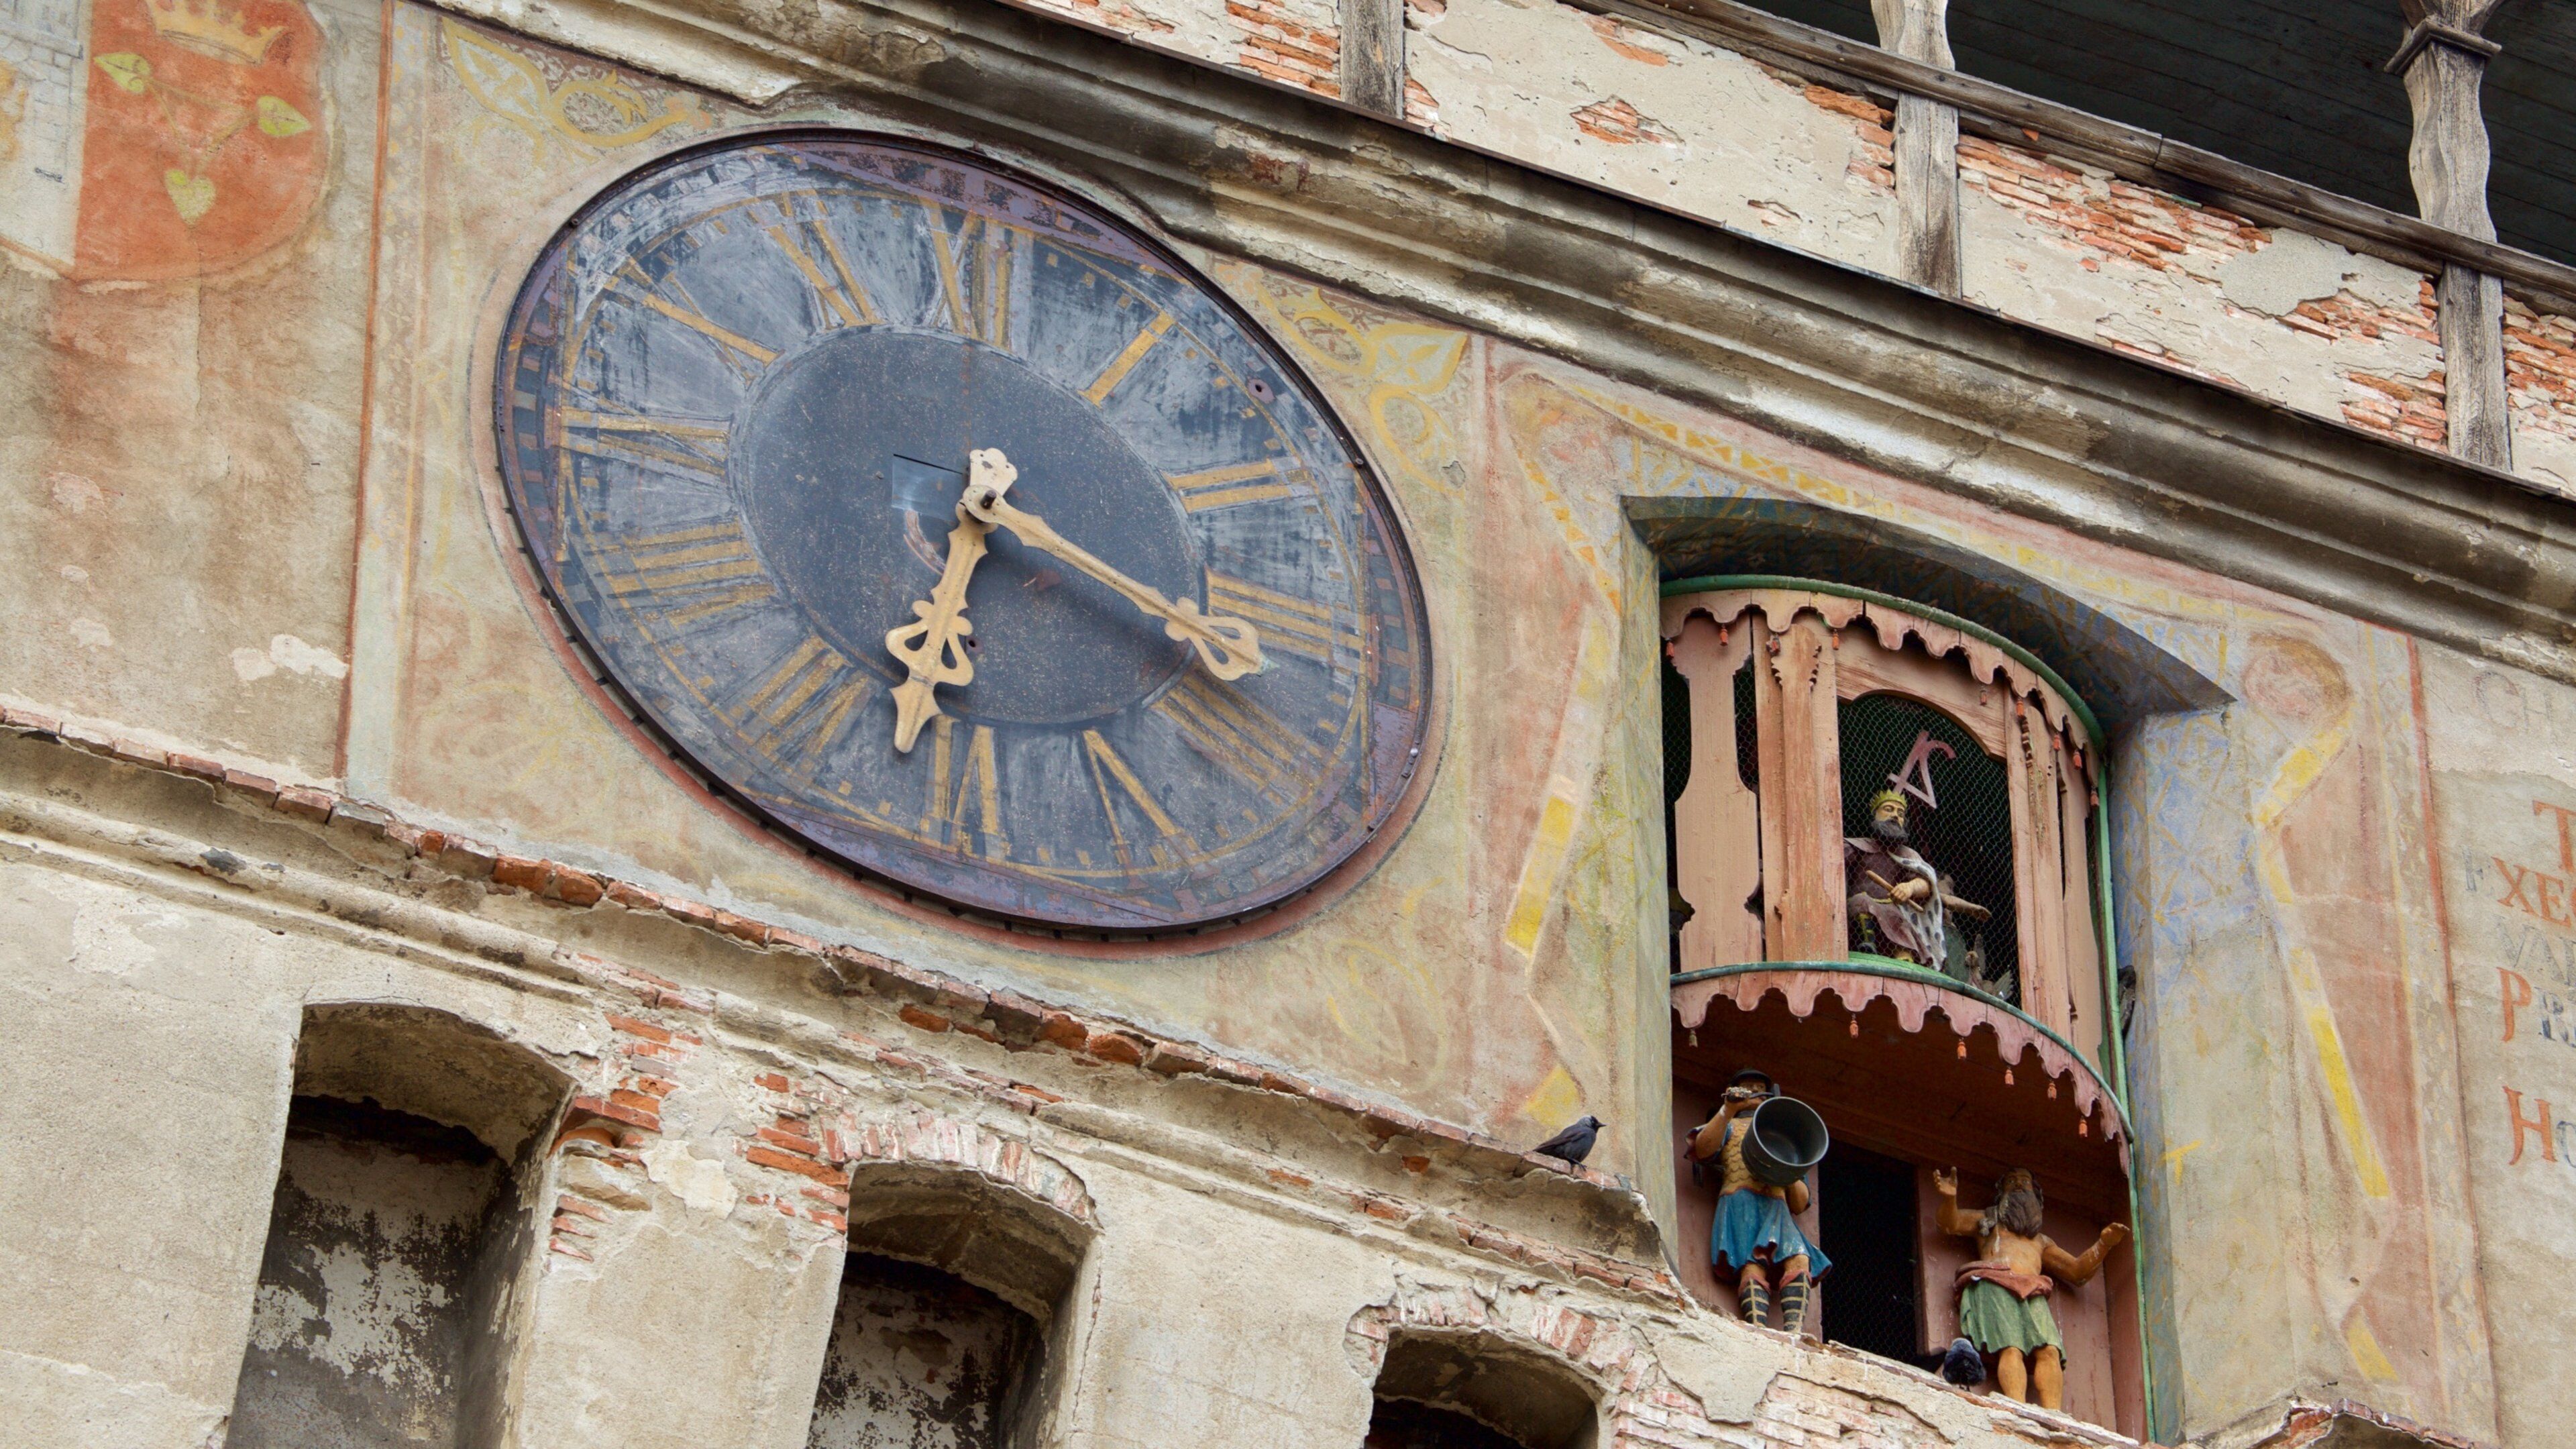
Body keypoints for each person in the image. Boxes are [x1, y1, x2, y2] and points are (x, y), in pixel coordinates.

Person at [1932, 1166, 2129, 1411]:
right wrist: (1950, 1199)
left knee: (2049, 1350)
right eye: (2011, 1181)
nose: (2017, 1185)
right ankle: (2017, 1406)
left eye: (2024, 1181)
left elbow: (2078, 1272)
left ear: (2035, 1195)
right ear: (2001, 1193)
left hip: (2033, 1289)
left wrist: (2104, 1245)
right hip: (1995, 1283)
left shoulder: (2041, 1242)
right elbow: (1949, 1223)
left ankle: (2055, 1415)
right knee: (2011, 1347)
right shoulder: (1989, 1220)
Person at [1687, 1069, 1829, 1334]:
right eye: (1747, 1088)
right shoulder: (1729, 1126)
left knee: (1799, 1258)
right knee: (1752, 1264)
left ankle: (1795, 1331)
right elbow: (1703, 1148)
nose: (1754, 1092)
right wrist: (1728, 1110)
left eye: (1759, 1088)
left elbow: (1800, 1203)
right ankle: (1758, 1328)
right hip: (1740, 1200)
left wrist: (1787, 1170)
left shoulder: (1780, 1134)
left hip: (1776, 1204)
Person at [1845, 787, 1987, 971]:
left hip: (1891, 908)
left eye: (1901, 813)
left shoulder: (1907, 855)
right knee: (1861, 902)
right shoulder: (1857, 846)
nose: (1895, 816)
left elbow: (1926, 883)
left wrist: (1910, 887)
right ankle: (1866, 945)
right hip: (1860, 905)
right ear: (1875, 814)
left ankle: (1906, 960)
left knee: (1899, 921)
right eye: (1888, 809)